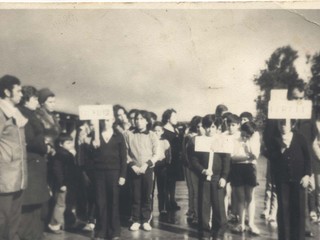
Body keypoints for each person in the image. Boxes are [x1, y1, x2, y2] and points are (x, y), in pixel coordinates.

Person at [17, 86, 52, 240]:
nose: (37, 102)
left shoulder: (29, 114)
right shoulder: (24, 114)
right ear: (26, 99)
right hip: (31, 165)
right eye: (35, 99)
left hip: (35, 165)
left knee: (35, 208)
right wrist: (45, 146)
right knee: (29, 207)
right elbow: (31, 139)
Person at [189, 114, 230, 240]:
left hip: (217, 178)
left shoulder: (222, 141)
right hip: (204, 178)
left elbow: (226, 161)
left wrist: (224, 177)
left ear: (217, 127)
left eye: (212, 127)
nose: (209, 130)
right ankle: (205, 232)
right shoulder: (199, 141)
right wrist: (202, 170)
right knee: (203, 205)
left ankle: (218, 231)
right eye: (207, 127)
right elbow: (194, 160)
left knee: (218, 207)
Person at [268, 119, 311, 240]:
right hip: (282, 180)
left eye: (285, 124)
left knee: (298, 210)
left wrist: (307, 175)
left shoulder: (300, 138)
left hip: (299, 180)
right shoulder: (274, 139)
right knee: (283, 210)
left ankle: (298, 237)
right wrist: (281, 149)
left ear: (292, 125)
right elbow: (271, 157)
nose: (282, 126)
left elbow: (308, 158)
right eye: (280, 123)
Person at [0, 75, 27, 240]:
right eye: (18, 90)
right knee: (2, 219)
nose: (21, 94)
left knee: (14, 219)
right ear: (7, 91)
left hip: (19, 174)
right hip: (4, 176)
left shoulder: (16, 113)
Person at [91, 114, 127, 240]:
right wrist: (92, 144)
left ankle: (114, 231)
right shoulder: (95, 136)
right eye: (104, 120)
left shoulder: (119, 136)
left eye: (108, 120)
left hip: (114, 173)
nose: (106, 122)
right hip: (99, 173)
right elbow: (88, 156)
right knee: (100, 202)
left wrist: (122, 175)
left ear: (113, 121)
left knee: (114, 202)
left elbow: (123, 157)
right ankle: (100, 231)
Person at [124, 110, 159, 232]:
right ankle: (136, 220)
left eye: (141, 119)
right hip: (133, 169)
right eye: (136, 119)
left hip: (147, 169)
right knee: (135, 195)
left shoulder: (152, 135)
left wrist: (146, 165)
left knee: (146, 195)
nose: (138, 121)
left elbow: (156, 154)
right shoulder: (128, 134)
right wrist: (132, 165)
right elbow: (125, 152)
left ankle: (145, 220)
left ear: (147, 121)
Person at [230, 121, 261, 235]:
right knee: (240, 197)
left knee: (250, 197)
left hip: (250, 168)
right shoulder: (235, 139)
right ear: (241, 130)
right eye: (244, 133)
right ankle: (241, 224)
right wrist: (247, 157)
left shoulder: (254, 139)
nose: (245, 136)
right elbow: (233, 157)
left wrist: (248, 144)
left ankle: (251, 224)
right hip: (237, 169)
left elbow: (255, 155)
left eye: (248, 134)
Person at [48, 133, 77, 233]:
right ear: (61, 144)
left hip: (67, 183)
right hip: (63, 184)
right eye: (68, 143)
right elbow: (58, 170)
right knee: (60, 204)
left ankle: (62, 223)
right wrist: (61, 183)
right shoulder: (61, 155)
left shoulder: (65, 154)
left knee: (64, 203)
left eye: (71, 142)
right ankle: (54, 224)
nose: (71, 145)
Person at [182, 116, 204, 225]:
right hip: (192, 168)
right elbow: (186, 153)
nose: (200, 128)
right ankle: (194, 213)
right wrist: (189, 165)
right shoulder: (191, 138)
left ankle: (201, 214)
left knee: (201, 192)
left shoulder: (209, 138)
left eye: (202, 126)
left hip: (203, 169)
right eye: (198, 126)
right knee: (194, 191)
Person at [161, 108, 183, 210]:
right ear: (168, 118)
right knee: (166, 182)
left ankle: (172, 200)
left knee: (172, 181)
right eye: (174, 116)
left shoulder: (175, 129)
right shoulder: (163, 130)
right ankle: (166, 203)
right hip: (167, 160)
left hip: (175, 159)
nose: (176, 118)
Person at [152, 122, 171, 215]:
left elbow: (168, 154)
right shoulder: (150, 140)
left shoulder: (165, 141)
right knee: (150, 188)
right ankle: (149, 208)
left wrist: (167, 164)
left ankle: (162, 207)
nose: (156, 132)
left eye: (158, 130)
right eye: (154, 130)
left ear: (162, 131)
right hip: (152, 164)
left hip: (162, 165)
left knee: (162, 188)